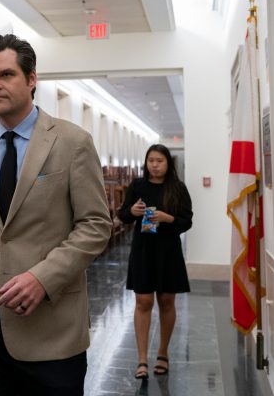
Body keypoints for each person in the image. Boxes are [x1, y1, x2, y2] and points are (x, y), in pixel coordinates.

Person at [0, 33, 113, 395]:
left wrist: (43, 277)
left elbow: (96, 225)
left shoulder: (72, 142)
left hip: (48, 330)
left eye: (6, 75)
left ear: (32, 79)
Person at [117, 144, 193, 380]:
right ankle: (141, 360)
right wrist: (133, 211)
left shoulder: (177, 188)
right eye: (151, 160)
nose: (155, 164)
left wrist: (167, 217)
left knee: (167, 301)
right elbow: (123, 215)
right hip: (143, 250)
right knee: (143, 301)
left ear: (168, 163)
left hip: (168, 250)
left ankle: (163, 353)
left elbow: (187, 221)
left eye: (159, 160)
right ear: (146, 162)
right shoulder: (138, 186)